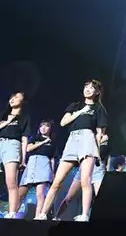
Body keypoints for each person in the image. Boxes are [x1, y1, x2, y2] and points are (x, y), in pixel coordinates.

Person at [38, 80, 108, 221]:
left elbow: (99, 133)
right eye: (86, 87)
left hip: (88, 139)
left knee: (85, 180)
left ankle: (84, 215)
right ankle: (42, 214)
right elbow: (63, 122)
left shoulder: (99, 109)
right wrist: (81, 111)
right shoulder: (75, 105)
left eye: (92, 88)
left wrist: (97, 152)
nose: (88, 89)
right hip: (72, 140)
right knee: (57, 181)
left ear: (97, 92)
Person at [53, 133, 110, 220]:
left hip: (98, 169)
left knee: (101, 198)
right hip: (84, 168)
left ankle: (93, 217)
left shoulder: (108, 139)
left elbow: (108, 157)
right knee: (69, 197)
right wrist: (99, 139)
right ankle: (57, 217)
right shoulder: (89, 136)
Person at [0, 91, 30, 219]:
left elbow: (24, 139)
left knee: (11, 181)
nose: (12, 99)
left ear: (23, 101)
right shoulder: (4, 115)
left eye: (17, 97)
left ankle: (12, 212)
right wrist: (7, 121)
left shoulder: (24, 117)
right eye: (11, 97)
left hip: (12, 145)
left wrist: (23, 159)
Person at [18, 120, 55, 218]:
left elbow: (52, 159)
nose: (43, 128)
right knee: (21, 192)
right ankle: (13, 213)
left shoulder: (53, 142)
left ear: (50, 128)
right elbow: (28, 148)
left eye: (46, 126)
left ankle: (38, 217)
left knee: (40, 194)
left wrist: (52, 172)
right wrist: (43, 142)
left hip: (44, 164)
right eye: (42, 126)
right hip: (32, 163)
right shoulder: (35, 138)